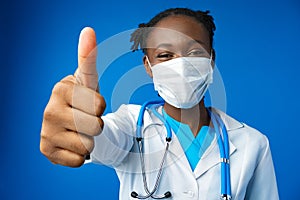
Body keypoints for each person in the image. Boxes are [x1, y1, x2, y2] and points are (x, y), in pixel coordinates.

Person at [40, 8, 279, 200]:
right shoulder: (129, 126)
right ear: (148, 66)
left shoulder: (252, 143)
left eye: (195, 52)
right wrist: (77, 125)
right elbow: (99, 137)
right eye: (165, 55)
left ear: (212, 59)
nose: (182, 65)